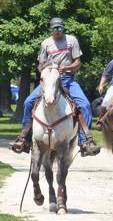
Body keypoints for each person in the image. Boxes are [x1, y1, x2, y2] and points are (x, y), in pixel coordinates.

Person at [9, 17, 101, 156]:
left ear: (63, 28)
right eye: (54, 29)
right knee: (28, 102)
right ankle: (24, 139)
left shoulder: (72, 40)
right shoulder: (46, 43)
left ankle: (85, 141)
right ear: (51, 29)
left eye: (60, 28)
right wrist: (48, 68)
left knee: (85, 105)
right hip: (49, 79)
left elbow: (77, 62)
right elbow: (40, 65)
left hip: (67, 79)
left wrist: (67, 67)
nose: (57, 31)